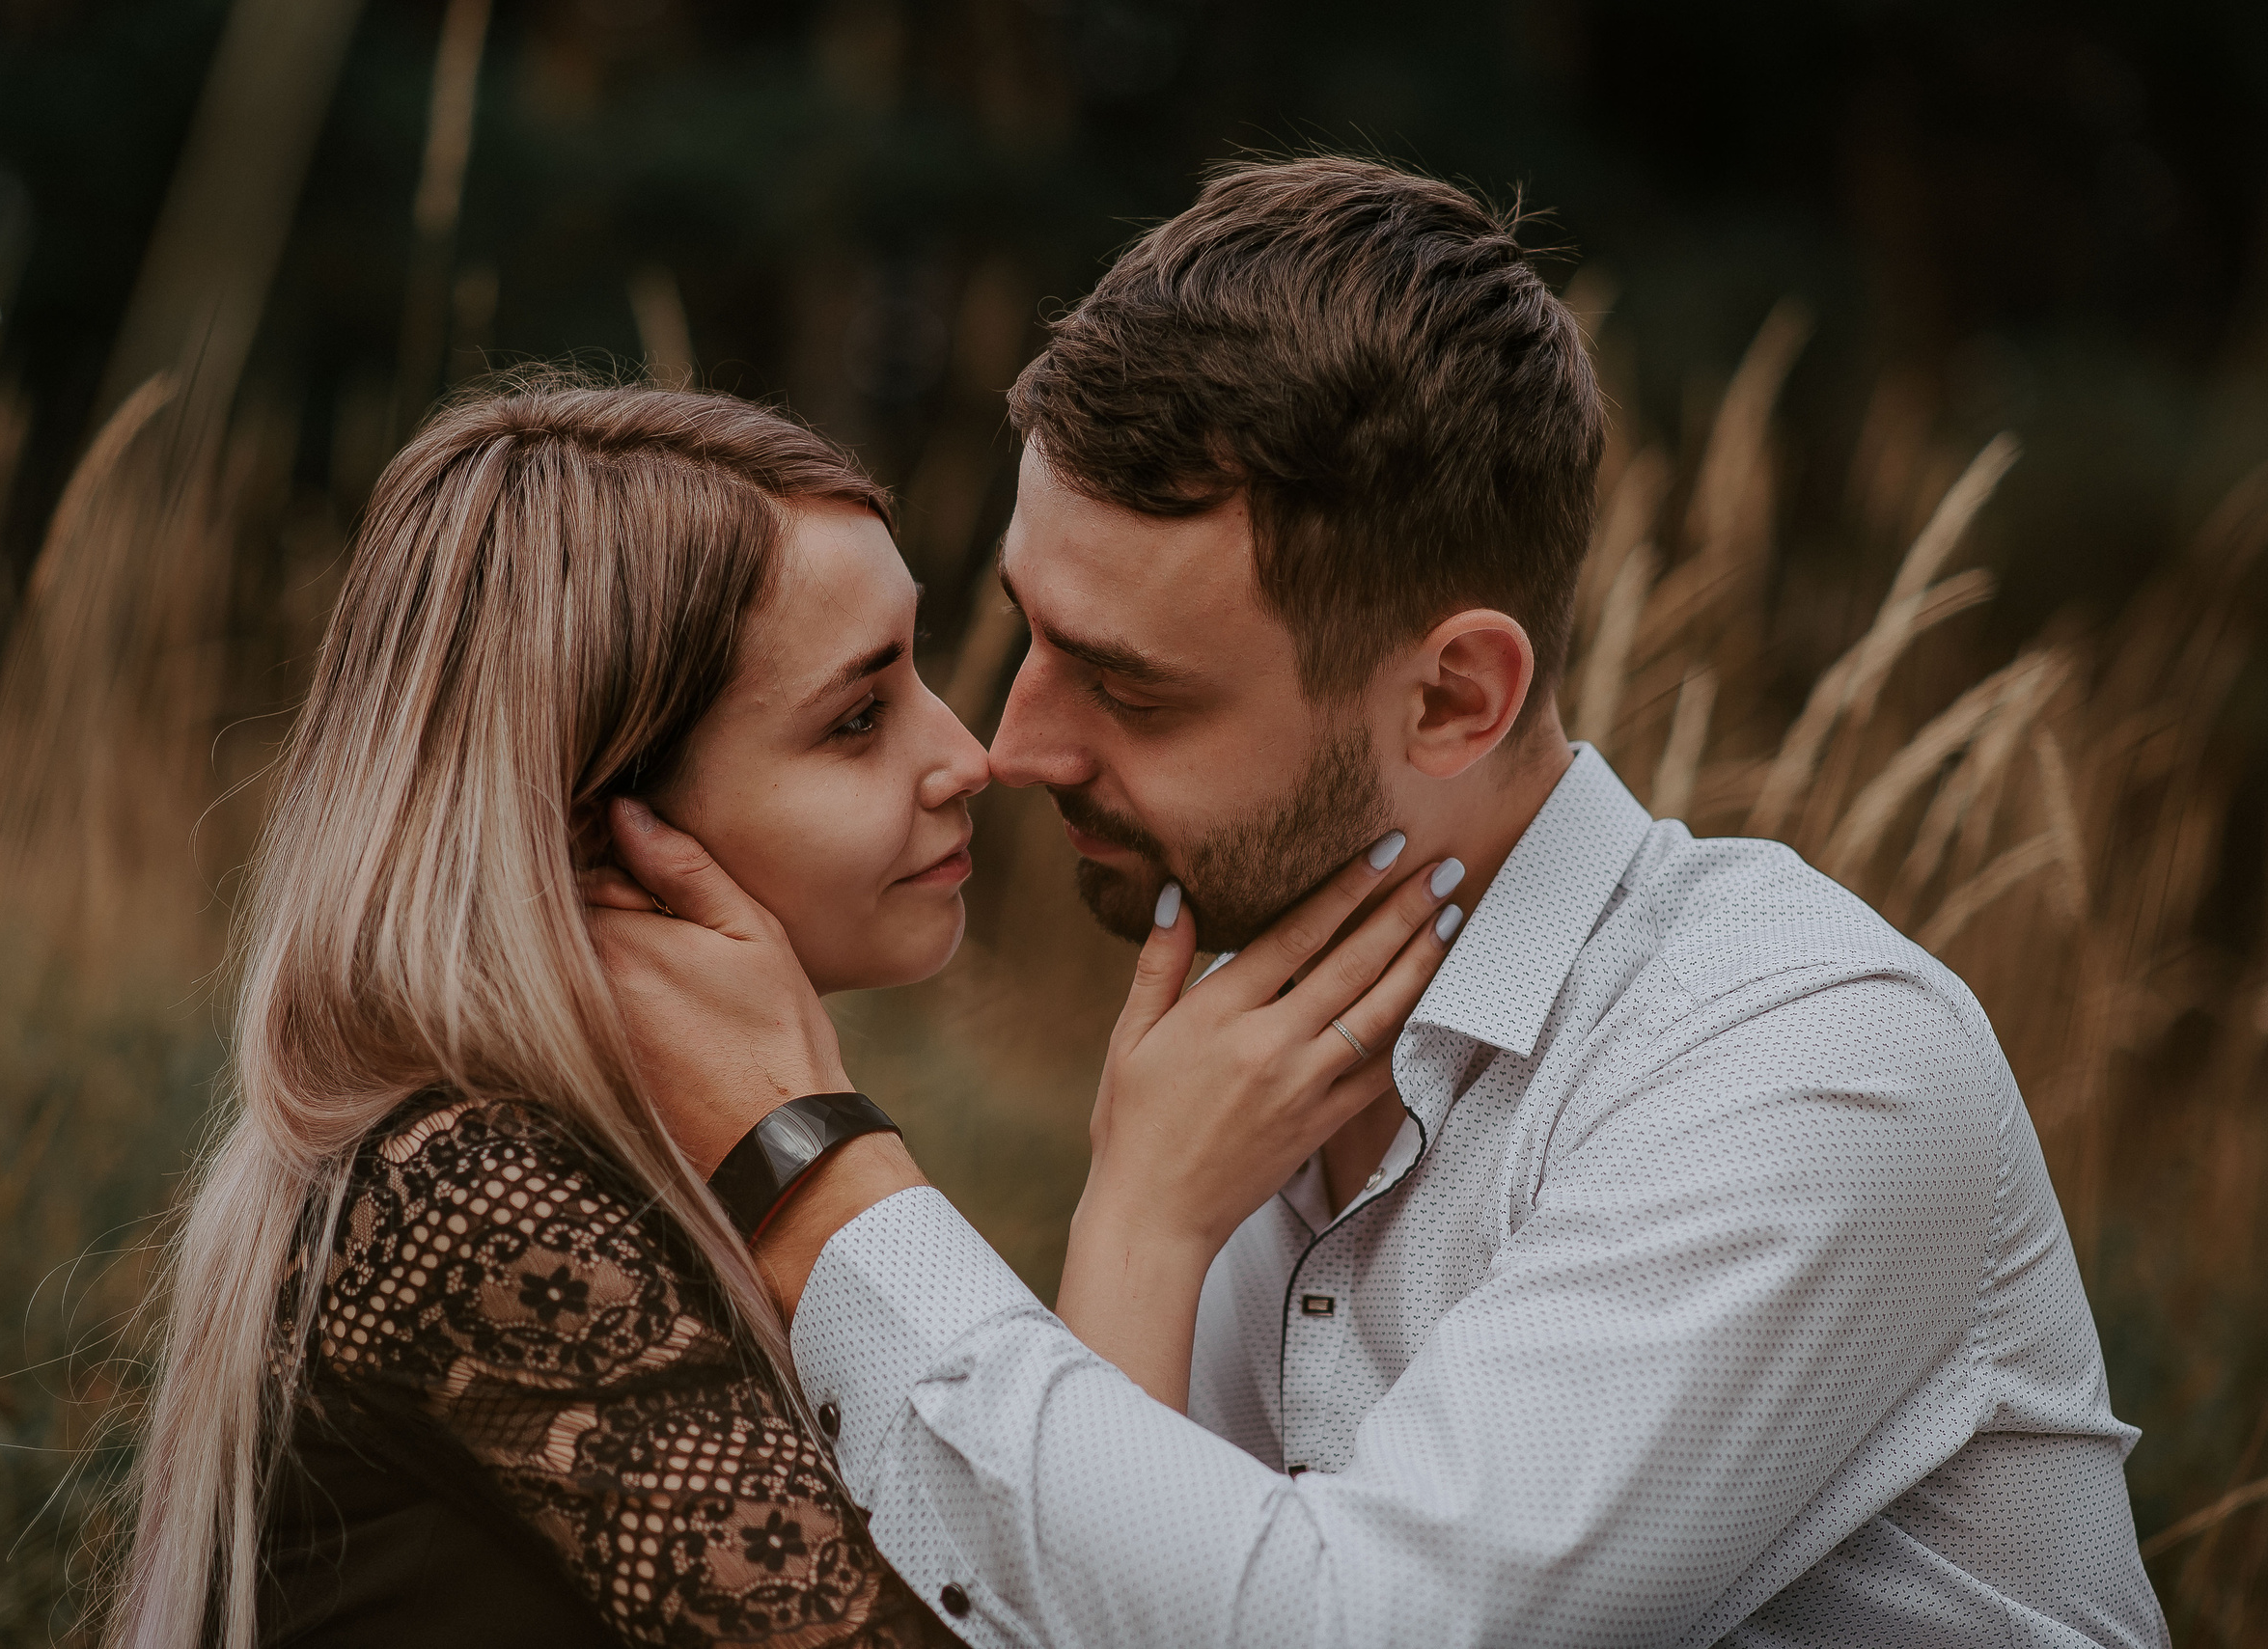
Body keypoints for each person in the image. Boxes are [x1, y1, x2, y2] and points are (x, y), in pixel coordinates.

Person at [582, 158, 2170, 1647]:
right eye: (1030, 631)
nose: (1014, 744)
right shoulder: (1242, 1041)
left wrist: (813, 1175)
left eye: (1132, 688)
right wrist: (1141, 1224)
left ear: (1455, 700)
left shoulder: (1800, 1065)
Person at [110, 378, 1444, 1647]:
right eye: (858, 717)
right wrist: (1137, 1222)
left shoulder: (592, 1157)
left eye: (919, 673)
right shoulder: (473, 1196)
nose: (966, 754)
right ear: (596, 828)